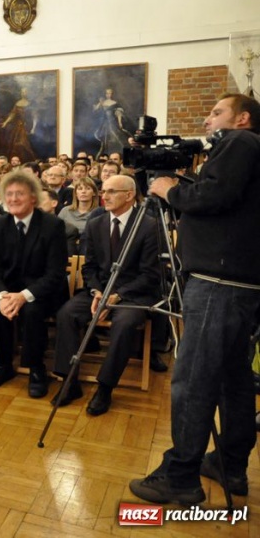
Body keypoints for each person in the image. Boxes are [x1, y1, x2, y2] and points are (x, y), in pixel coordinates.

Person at [129, 94, 260, 506]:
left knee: (193, 380)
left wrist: (170, 191)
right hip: (237, 283)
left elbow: (213, 197)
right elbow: (222, 197)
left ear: (242, 118)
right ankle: (229, 464)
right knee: (233, 379)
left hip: (218, 282)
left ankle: (181, 476)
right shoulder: (248, 150)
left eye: (216, 112)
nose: (207, 120)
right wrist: (176, 184)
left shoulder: (241, 141)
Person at [52, 174, 161, 415]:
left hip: (133, 294)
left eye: (111, 191)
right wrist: (96, 291)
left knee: (124, 324)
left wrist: (118, 295)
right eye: (104, 191)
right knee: (66, 313)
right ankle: (69, 382)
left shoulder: (148, 225)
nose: (104, 196)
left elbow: (150, 275)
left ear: (129, 195)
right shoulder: (96, 223)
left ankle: (105, 387)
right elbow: (89, 266)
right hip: (99, 289)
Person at [0, 171, 69, 398]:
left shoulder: (53, 225)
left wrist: (24, 296)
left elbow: (55, 273)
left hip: (43, 292)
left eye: (19, 194)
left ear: (33, 198)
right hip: (9, 291)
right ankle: (3, 366)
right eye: (9, 194)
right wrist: (3, 296)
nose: (13, 199)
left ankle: (36, 368)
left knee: (32, 311)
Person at [0, 87, 38, 163]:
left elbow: (35, 117)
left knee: (25, 144)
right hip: (19, 126)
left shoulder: (31, 104)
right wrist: (5, 122)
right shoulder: (18, 103)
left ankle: (27, 161)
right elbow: (12, 114)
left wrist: (33, 128)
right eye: (22, 92)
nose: (24, 93)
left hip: (28, 126)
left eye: (25, 92)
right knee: (16, 144)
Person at [93, 87, 133, 158]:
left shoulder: (115, 103)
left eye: (111, 93)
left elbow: (119, 113)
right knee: (104, 141)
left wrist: (120, 123)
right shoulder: (103, 102)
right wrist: (100, 103)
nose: (109, 95)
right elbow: (95, 110)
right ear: (105, 94)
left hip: (113, 123)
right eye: (107, 93)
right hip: (105, 123)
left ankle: (125, 155)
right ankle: (100, 157)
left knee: (118, 138)